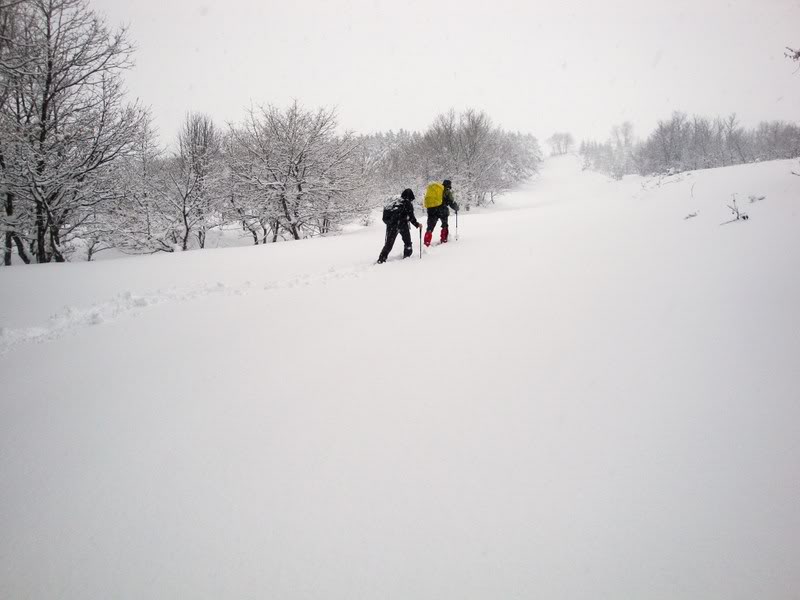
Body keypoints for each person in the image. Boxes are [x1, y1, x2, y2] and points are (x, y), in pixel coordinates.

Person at [377, 188, 422, 264]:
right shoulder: (408, 203)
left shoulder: (394, 202)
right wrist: (417, 224)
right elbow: (411, 217)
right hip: (403, 225)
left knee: (388, 244)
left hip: (391, 226)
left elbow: (385, 217)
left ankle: (381, 259)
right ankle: (407, 257)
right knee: (407, 243)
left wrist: (390, 223)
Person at [423, 179, 459, 246]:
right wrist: (456, 208)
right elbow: (451, 202)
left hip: (431, 210)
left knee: (430, 227)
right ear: (449, 185)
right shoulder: (447, 191)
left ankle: (426, 242)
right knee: (444, 225)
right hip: (442, 210)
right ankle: (444, 239)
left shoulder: (436, 190)